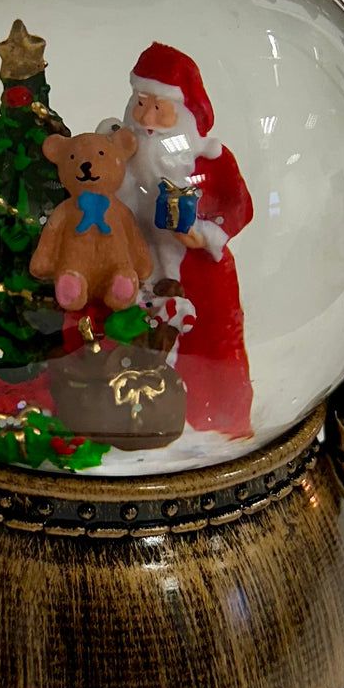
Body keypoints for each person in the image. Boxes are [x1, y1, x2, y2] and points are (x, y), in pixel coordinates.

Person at [110, 43, 254, 438]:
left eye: (159, 107)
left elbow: (240, 206)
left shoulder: (209, 158)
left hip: (198, 269)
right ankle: (141, 418)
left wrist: (203, 233)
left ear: (184, 111)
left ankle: (214, 421)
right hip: (138, 267)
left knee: (210, 346)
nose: (146, 118)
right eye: (140, 104)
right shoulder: (124, 153)